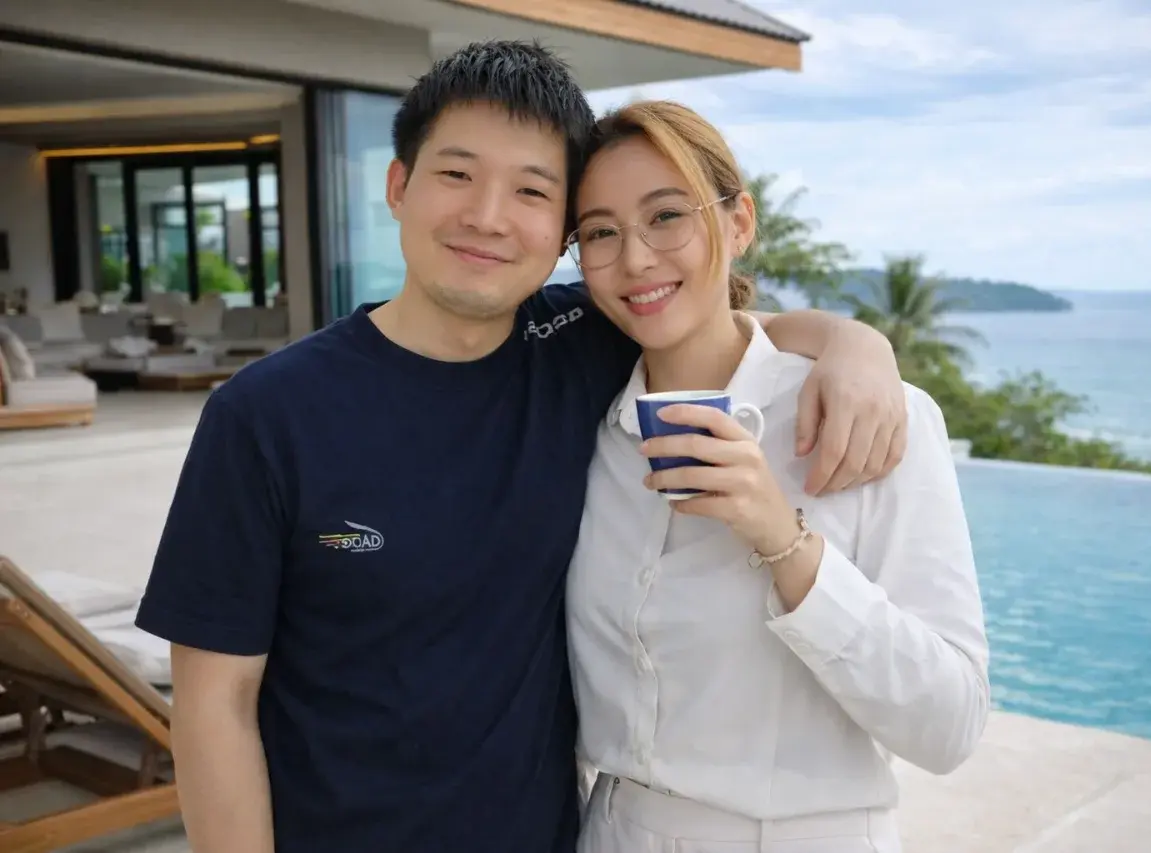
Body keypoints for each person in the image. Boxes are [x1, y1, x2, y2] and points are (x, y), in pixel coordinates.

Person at [133, 42, 911, 853]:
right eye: (457, 174)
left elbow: (714, 317)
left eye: (532, 190)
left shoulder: (578, 343)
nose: (488, 216)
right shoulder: (264, 415)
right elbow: (215, 703)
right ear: (398, 187)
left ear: (562, 230)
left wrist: (855, 344)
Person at [564, 100, 990, 853]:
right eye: (600, 232)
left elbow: (950, 725)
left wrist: (784, 541)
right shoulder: (586, 428)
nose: (635, 259)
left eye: (667, 216)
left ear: (738, 223)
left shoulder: (867, 419)